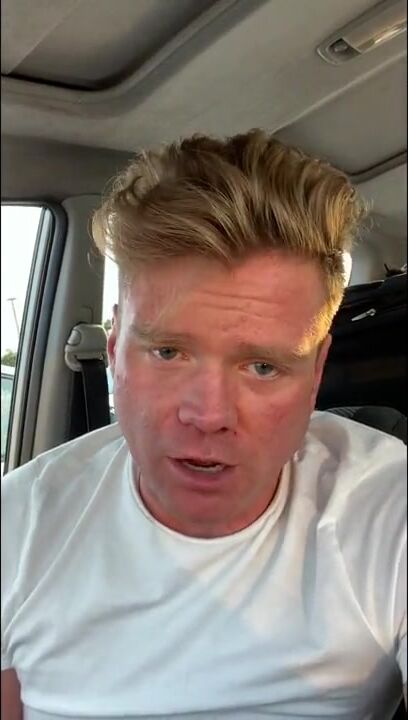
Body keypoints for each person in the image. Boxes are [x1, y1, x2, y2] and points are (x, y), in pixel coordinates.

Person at [2, 130, 406, 719]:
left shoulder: (386, 506)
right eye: (168, 352)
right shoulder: (19, 524)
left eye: (263, 366)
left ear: (317, 371)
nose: (209, 415)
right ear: (113, 351)